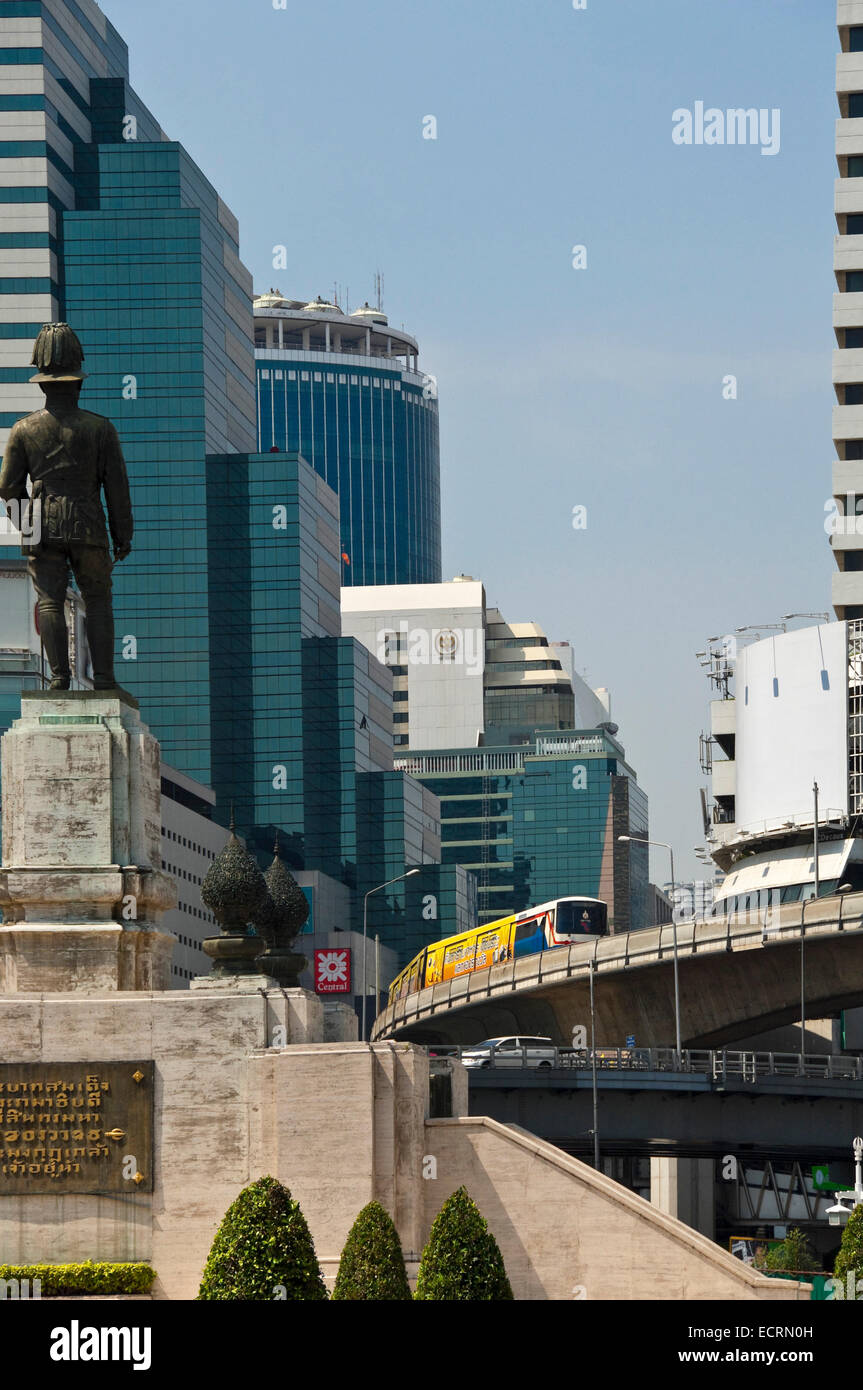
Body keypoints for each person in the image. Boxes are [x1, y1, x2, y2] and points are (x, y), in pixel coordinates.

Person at [0, 323, 133, 691]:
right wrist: (123, 535)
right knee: (98, 599)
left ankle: (59, 677)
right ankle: (104, 678)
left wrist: (28, 527)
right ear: (79, 381)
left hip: (42, 524)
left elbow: (7, 486)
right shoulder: (101, 429)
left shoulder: (23, 430)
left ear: (41, 382)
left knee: (50, 600)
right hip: (89, 523)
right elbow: (117, 490)